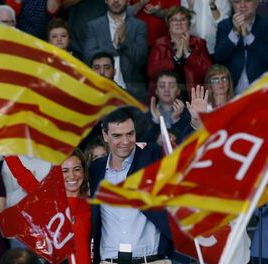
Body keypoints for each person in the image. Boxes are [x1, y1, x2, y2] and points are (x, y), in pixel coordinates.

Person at [89, 108, 182, 264]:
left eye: (130, 134)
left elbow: (180, 156)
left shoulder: (151, 157)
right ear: (105, 135)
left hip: (152, 260)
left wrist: (195, 123)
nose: (125, 142)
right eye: (117, 136)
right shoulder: (95, 170)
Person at [84, 0, 148, 102]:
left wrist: (124, 40)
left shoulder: (139, 25)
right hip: (100, 89)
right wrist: (114, 45)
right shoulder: (94, 26)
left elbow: (141, 58)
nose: (116, 1)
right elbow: (89, 57)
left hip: (133, 92)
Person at [214, 0, 268, 95]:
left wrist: (248, 36)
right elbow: (219, 57)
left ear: (257, 2)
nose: (242, 5)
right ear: (232, 5)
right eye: (237, 2)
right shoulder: (224, 26)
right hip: (231, 92)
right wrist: (234, 32)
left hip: (261, 91)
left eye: (247, 1)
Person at [147, 6, 212, 102]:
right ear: (168, 24)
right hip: (165, 98)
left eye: (183, 19)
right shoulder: (159, 44)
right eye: (174, 20)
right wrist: (176, 57)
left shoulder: (199, 43)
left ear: (189, 23)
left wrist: (187, 53)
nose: (178, 23)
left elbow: (209, 72)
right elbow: (152, 72)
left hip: (193, 98)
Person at [61, 149, 92, 264]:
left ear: (84, 171)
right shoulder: (50, 204)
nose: (72, 176)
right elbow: (24, 177)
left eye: (77, 169)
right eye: (65, 171)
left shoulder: (93, 205)